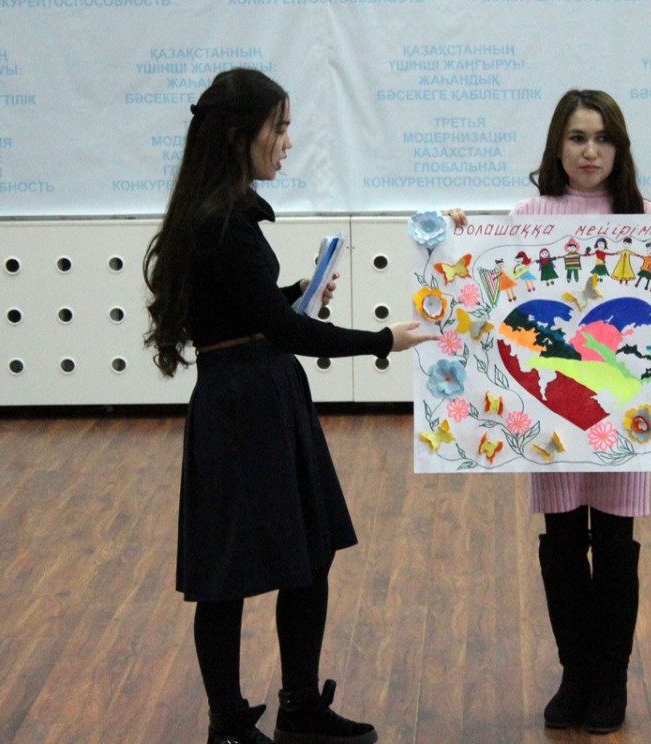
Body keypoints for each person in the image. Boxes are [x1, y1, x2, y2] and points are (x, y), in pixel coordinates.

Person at [143, 68, 435, 744]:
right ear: (239, 136)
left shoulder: (214, 214)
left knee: (293, 556)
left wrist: (293, 293)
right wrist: (383, 340)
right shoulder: (225, 223)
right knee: (235, 574)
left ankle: (286, 709)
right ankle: (243, 721)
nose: (287, 142)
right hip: (250, 402)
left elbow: (248, 311)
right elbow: (285, 331)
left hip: (248, 394)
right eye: (278, 128)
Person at [449, 88, 651, 735]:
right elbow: (488, 293)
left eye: (603, 138)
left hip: (622, 419)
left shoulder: (648, 217)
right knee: (560, 546)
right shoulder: (526, 216)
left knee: (614, 545)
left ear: (620, 148)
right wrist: (455, 235)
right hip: (550, 419)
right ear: (557, 144)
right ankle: (574, 673)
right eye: (577, 137)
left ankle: (610, 678)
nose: (589, 151)